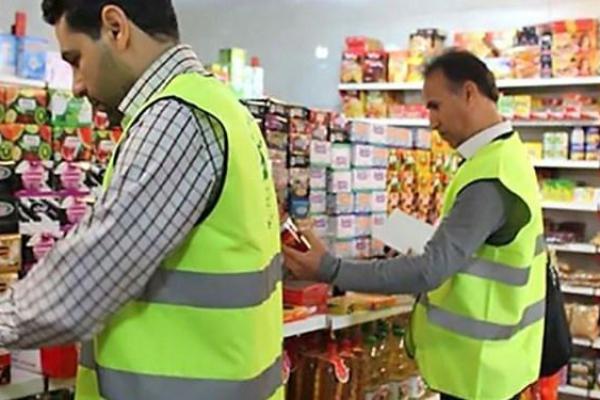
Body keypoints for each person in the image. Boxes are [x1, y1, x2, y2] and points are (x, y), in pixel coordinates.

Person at [0, 1, 284, 399]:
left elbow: (85, 281)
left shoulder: (177, 119)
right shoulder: (219, 107)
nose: (76, 85)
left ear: (116, 27)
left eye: (76, 59)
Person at [284, 50, 547, 400]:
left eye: (435, 106)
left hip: (479, 374)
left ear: (469, 93)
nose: (431, 122)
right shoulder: (501, 158)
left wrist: (329, 268)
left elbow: (430, 270)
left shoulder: (491, 176)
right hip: (493, 364)